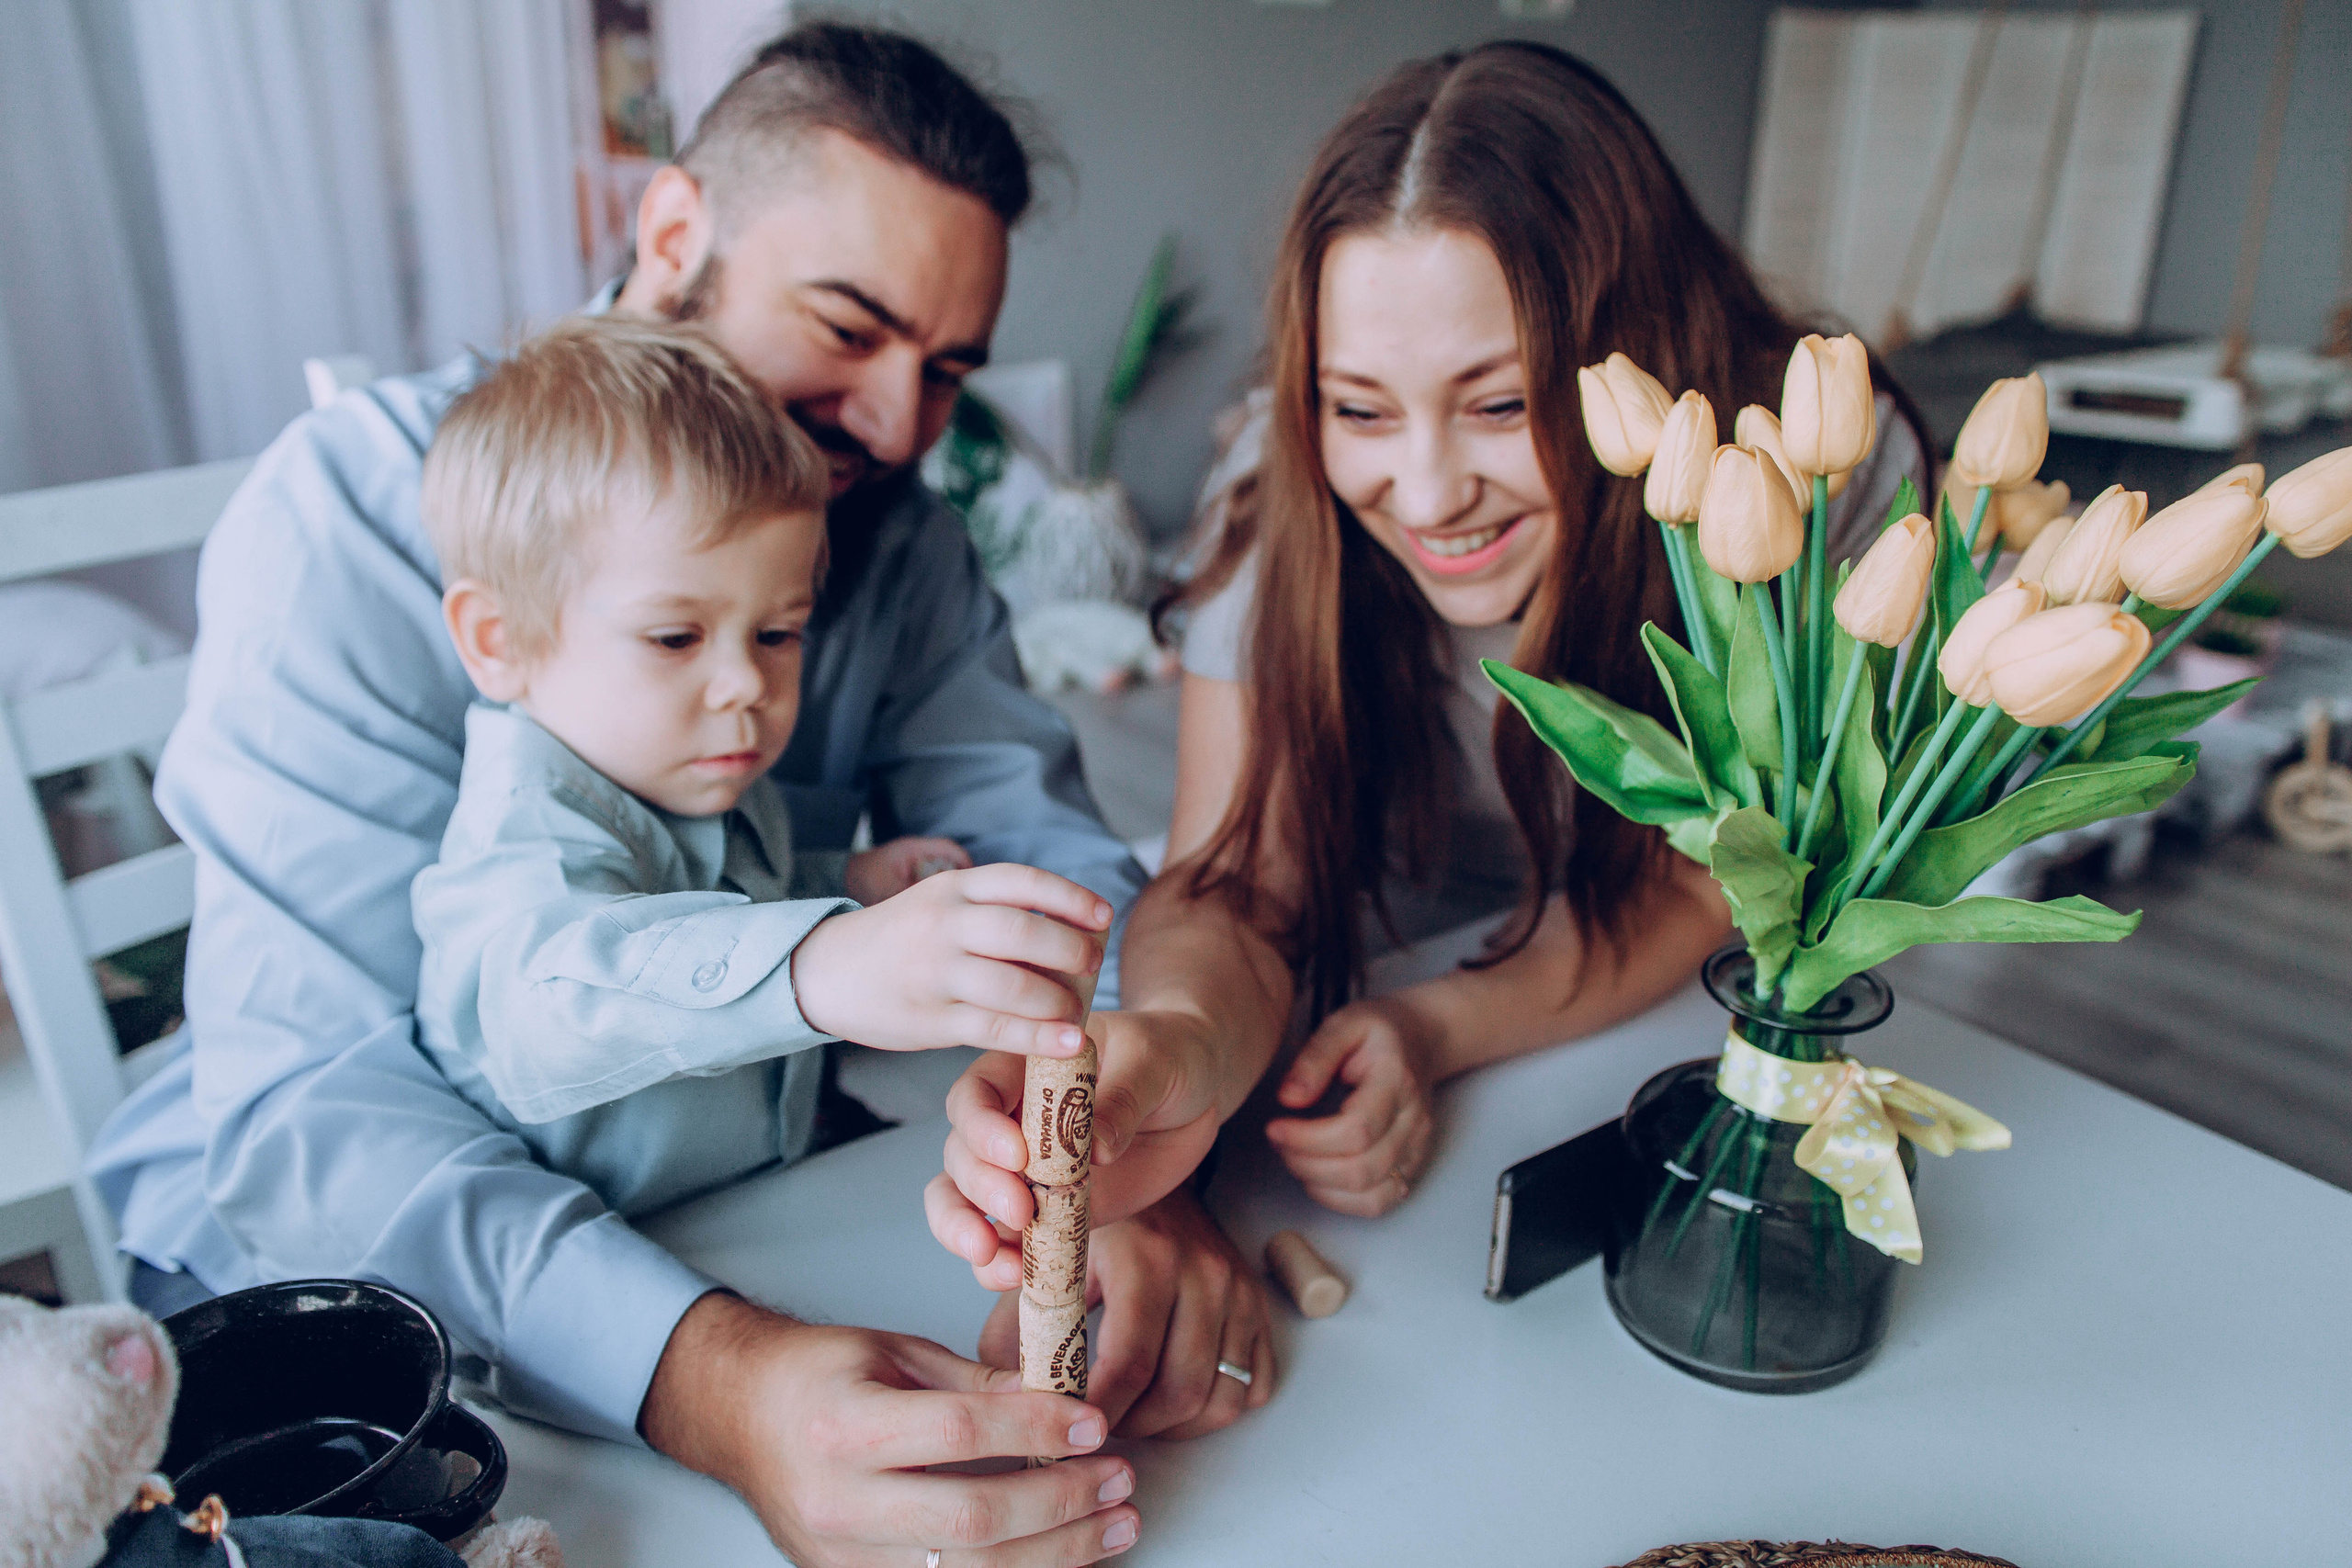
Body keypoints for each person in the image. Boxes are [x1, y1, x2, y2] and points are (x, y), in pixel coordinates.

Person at [86, 22, 1270, 1565]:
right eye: (849, 329)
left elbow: (1050, 869)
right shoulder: (352, 516)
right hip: (317, 1305)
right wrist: (706, 1376)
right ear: (673, 233)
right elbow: (335, 1114)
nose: (903, 424)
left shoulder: (896, 535)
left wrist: (1119, 1142)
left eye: (948, 368)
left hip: (726, 1206)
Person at [930, 42, 1931, 1276]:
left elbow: (1722, 883)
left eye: (1500, 404)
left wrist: (1440, 1024)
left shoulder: (1817, 462)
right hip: (1366, 961)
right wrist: (1176, 1040)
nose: (1426, 491)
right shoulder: (1276, 480)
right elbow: (1237, 875)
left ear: (1646, 358)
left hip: (1679, 995)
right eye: (1360, 409)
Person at [411, 316, 1111, 1195]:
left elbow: (720, 905)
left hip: (764, 1191)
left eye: (779, 632)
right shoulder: (527, 829)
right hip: (619, 1245)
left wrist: (847, 882)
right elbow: (552, 1006)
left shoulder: (691, 765)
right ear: (498, 638)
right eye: (674, 637)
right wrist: (820, 963)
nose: (745, 681)